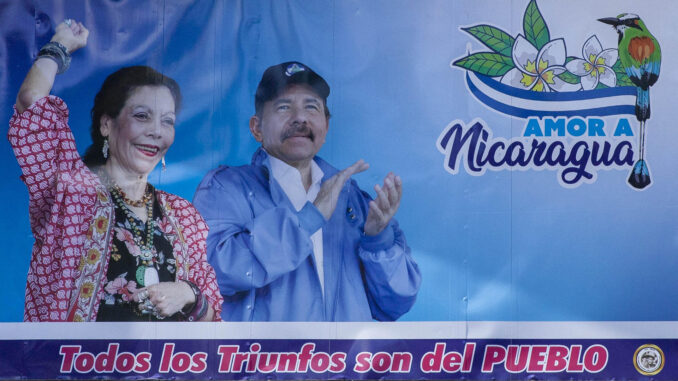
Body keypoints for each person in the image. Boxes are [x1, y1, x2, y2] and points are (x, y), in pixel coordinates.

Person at [8, 19, 222, 322]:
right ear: (107, 124)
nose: (156, 132)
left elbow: (211, 317)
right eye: (142, 116)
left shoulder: (183, 215)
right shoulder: (69, 191)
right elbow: (32, 104)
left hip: (159, 367)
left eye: (167, 121)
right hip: (70, 366)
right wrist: (59, 46)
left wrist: (189, 295)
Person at [193, 61, 421, 321]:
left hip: (342, 361)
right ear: (256, 127)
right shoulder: (226, 188)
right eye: (284, 107)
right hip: (265, 361)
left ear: (326, 125)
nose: (300, 118)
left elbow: (395, 303)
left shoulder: (353, 199)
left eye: (311, 107)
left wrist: (378, 239)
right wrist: (309, 219)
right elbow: (211, 273)